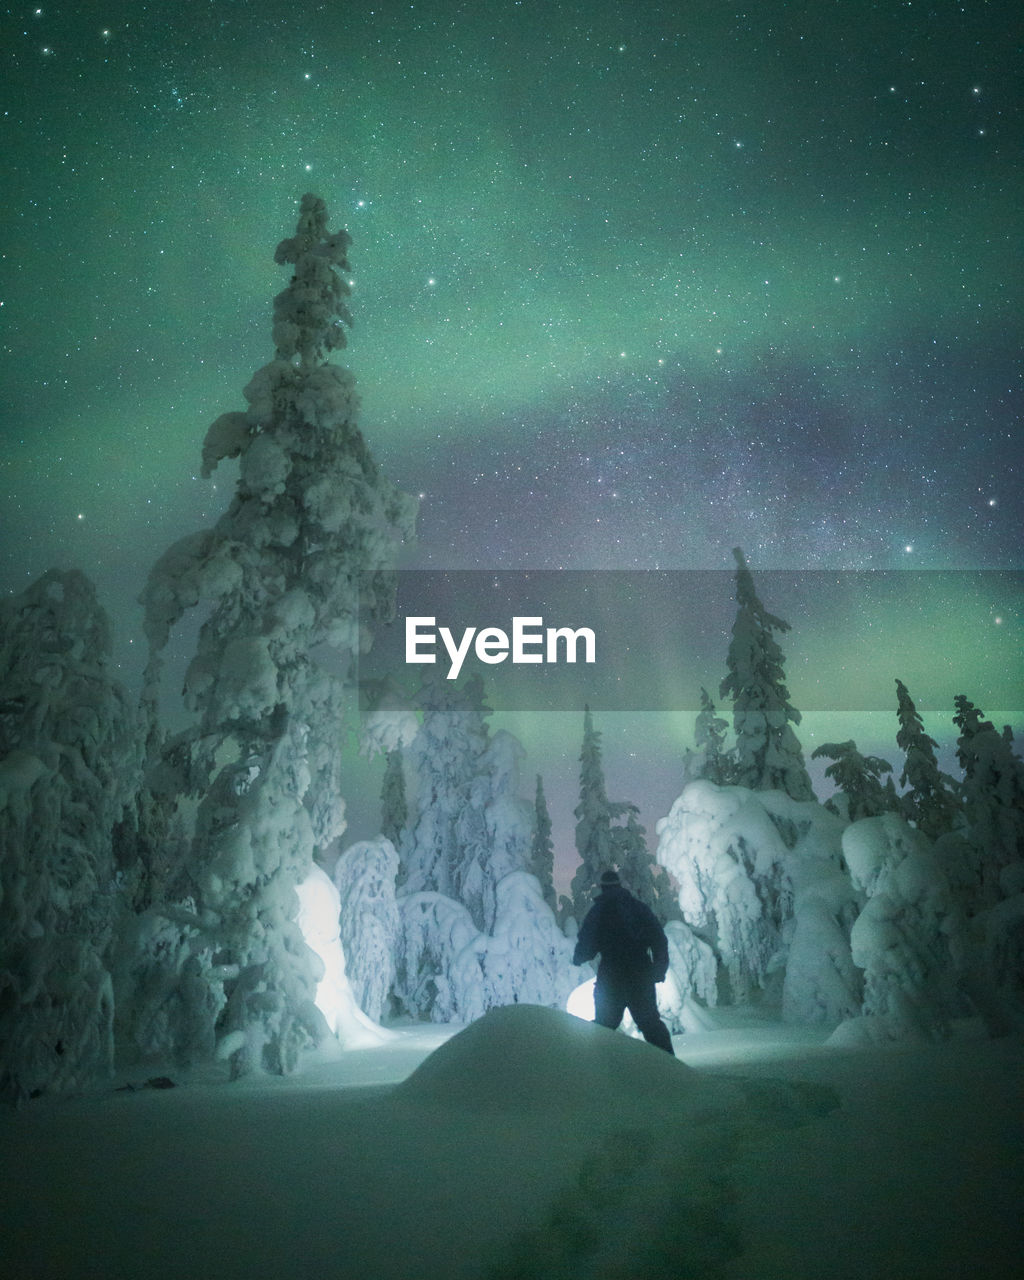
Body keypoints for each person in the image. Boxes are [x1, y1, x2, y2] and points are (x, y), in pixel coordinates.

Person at [572, 868, 675, 1054]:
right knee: (650, 1023)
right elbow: (659, 939)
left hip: (612, 977)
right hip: (640, 974)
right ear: (619, 886)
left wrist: (578, 957)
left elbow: (587, 943)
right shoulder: (639, 908)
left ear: (602, 888)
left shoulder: (599, 911)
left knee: (604, 1024)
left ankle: (598, 1068)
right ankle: (672, 1067)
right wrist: (658, 970)